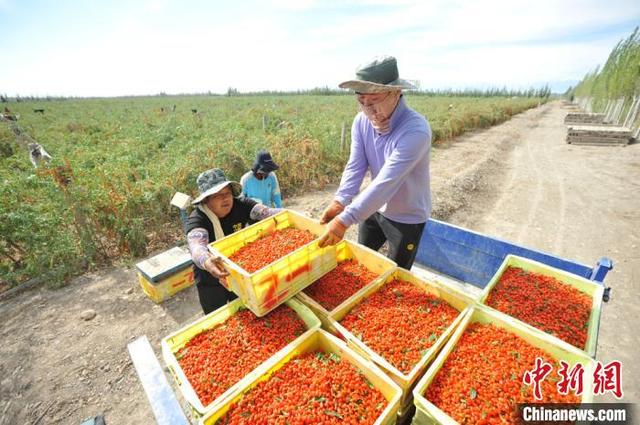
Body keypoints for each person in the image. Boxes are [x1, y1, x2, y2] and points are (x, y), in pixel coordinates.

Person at [318, 55, 432, 270]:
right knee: (362, 262)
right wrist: (340, 200)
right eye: (362, 102)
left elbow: (387, 182)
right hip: (373, 207)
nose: (368, 110)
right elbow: (356, 164)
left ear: (396, 93)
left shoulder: (415, 131)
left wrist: (344, 220)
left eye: (374, 101)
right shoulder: (361, 122)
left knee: (395, 271)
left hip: (406, 215)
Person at [186, 168, 280, 314]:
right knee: (218, 316)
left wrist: (296, 214)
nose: (225, 198)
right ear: (206, 200)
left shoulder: (241, 204)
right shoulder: (198, 219)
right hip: (211, 279)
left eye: (228, 193)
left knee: (244, 310)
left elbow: (267, 213)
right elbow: (196, 246)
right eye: (217, 195)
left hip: (237, 272)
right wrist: (207, 262)